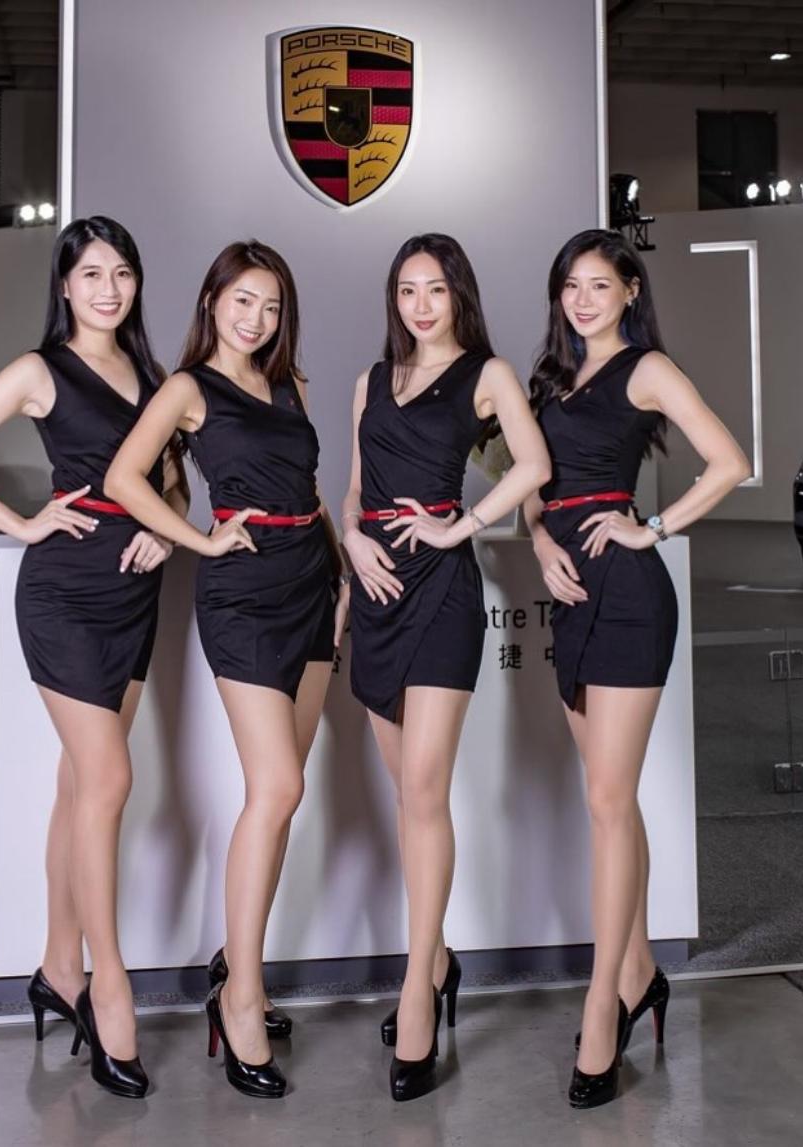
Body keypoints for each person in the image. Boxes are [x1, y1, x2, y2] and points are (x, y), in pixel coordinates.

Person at [0, 216, 187, 1099]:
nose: (109, 289)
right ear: (65, 285)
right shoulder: (41, 370)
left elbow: (171, 481)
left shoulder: (153, 376)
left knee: (79, 786)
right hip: (64, 595)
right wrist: (23, 523)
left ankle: (58, 967)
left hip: (133, 595)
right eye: (92, 274)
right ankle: (109, 987)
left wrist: (167, 531)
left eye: (123, 272)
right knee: (108, 780)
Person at [106, 239, 347, 1099]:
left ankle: (242, 967)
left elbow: (310, 494)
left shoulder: (290, 384)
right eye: (243, 300)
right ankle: (239, 995)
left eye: (272, 306)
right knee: (277, 788)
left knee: (282, 803)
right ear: (212, 301)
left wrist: (341, 577)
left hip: (312, 585)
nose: (257, 318)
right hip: (242, 594)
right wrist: (198, 538)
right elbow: (125, 477)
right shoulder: (186, 389)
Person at [522, 229, 750, 1109]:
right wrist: (540, 539)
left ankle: (601, 1008)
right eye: (570, 285)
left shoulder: (647, 368)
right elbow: (533, 485)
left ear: (629, 291)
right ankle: (642, 973)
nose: (582, 299)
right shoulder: (551, 377)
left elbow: (730, 462)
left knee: (609, 802)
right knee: (607, 802)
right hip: (572, 592)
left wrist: (651, 527)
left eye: (598, 285)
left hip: (626, 594)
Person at [340, 233, 551, 1102]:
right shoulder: (370, 380)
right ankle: (441, 959)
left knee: (424, 793)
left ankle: (417, 988)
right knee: (407, 797)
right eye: (406, 289)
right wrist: (351, 538)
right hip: (376, 593)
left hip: (441, 594)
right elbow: (353, 488)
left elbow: (534, 464)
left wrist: (462, 524)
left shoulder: (487, 374)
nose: (420, 305)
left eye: (434, 288)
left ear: (459, 293)